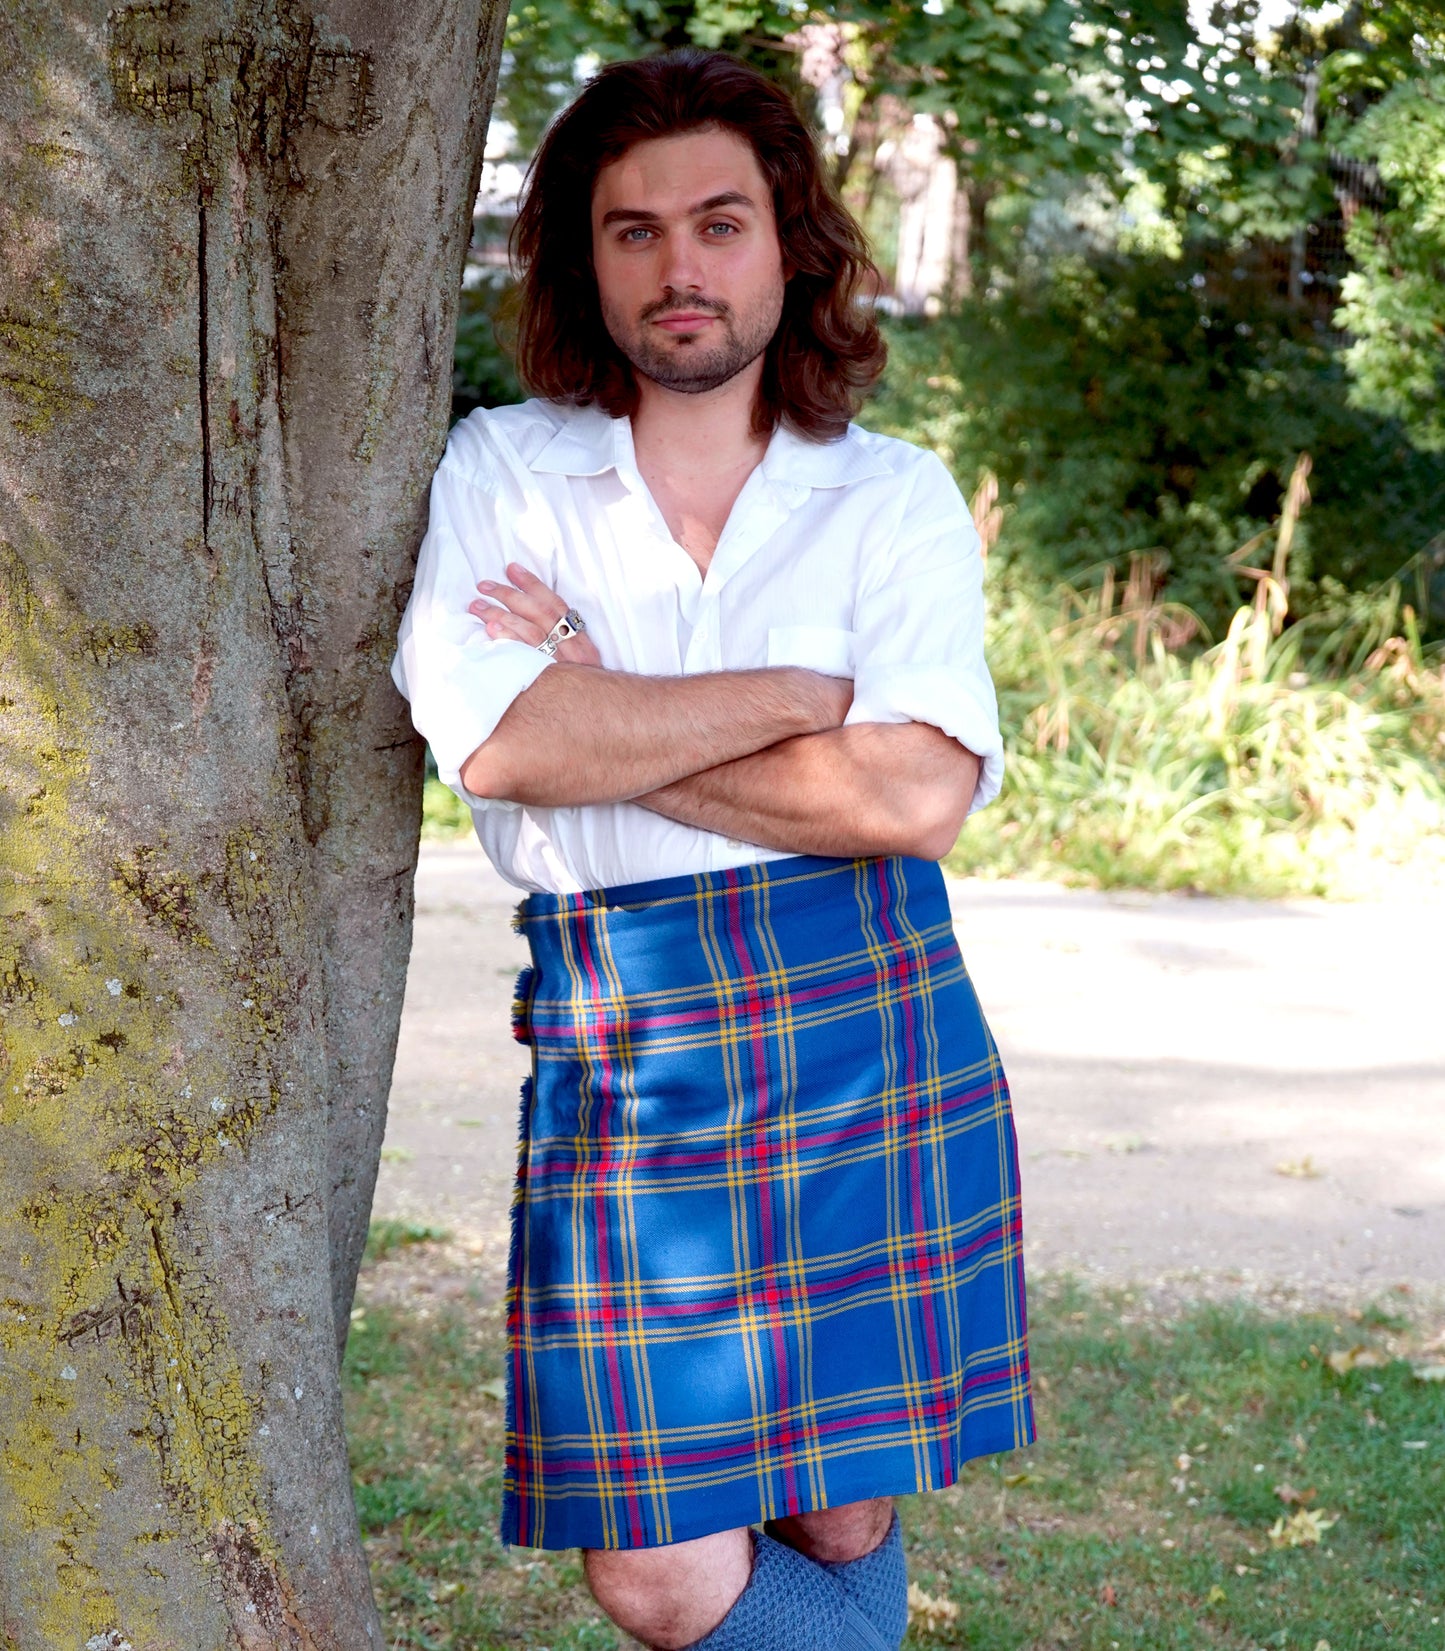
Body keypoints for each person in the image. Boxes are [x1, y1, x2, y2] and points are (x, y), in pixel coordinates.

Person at [391, 47, 1033, 1651]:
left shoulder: (886, 498)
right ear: (582, 263)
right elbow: (502, 742)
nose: (680, 267)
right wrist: (785, 710)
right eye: (632, 231)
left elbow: (908, 804)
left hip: (864, 1004)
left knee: (837, 1496)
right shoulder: (500, 469)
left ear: (789, 244)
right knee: (658, 1567)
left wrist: (613, 706)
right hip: (627, 1024)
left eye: (719, 223)